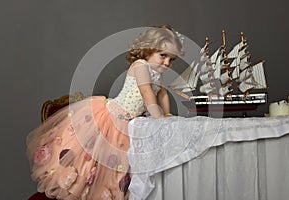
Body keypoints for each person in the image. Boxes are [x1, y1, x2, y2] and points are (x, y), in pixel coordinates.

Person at [26, 25, 184, 200]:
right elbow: (147, 92)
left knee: (122, 167)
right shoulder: (141, 66)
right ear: (148, 49)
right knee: (96, 162)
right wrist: (159, 117)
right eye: (163, 56)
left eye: (172, 59)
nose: (167, 63)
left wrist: (168, 116)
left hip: (132, 122)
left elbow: (162, 93)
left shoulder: (157, 73)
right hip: (113, 117)